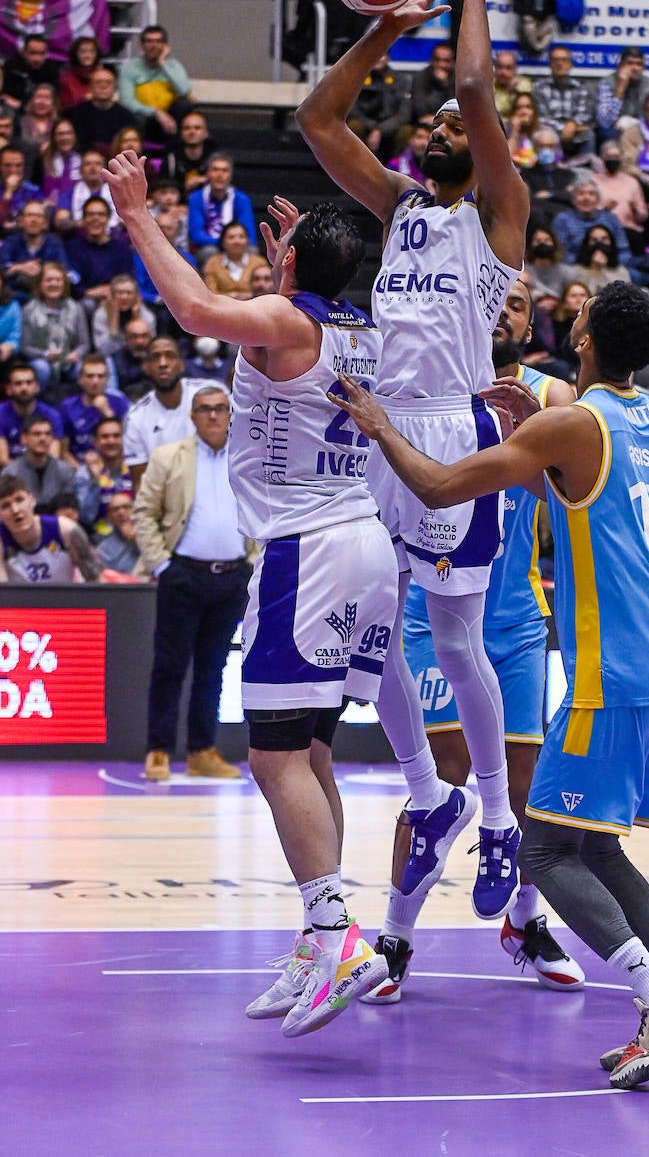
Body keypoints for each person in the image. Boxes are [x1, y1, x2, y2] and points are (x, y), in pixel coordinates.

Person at [331, 281, 649, 1088]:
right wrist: (529, 438)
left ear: (582, 342)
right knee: (597, 850)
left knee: (544, 848)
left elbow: (441, 488)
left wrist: (378, 426)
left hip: (608, 673)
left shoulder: (566, 422)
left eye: (572, 320)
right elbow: (583, 493)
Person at [103, 149, 452, 1039]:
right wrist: (297, 265)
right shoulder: (358, 328)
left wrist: (138, 215)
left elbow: (191, 308)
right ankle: (320, 936)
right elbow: (291, 317)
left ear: (293, 270)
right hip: (369, 547)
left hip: (310, 551)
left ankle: (335, 936)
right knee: (312, 753)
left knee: (269, 757)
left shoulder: (281, 323)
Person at [297, 0, 532, 920]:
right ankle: (429, 799)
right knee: (373, 637)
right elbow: (317, 118)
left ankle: (498, 821)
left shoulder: (499, 214)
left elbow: (475, 89)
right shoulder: (399, 210)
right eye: (427, 126)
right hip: (380, 435)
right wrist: (386, 25)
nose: (438, 127)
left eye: (449, 132)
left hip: (449, 431)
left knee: (455, 636)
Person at [364, 279, 584, 1001]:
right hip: (433, 610)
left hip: (514, 616)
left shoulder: (550, 402)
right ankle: (395, 934)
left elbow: (576, 498)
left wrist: (538, 463)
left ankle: (524, 920)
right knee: (440, 778)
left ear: (531, 321)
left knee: (529, 788)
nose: (505, 311)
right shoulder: (428, 386)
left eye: (520, 303)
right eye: (495, 300)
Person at [133, 383, 255, 781]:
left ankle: (202, 750)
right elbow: (144, 511)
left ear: (230, 413)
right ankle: (158, 750)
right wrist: (162, 564)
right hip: (182, 574)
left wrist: (252, 561)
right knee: (169, 665)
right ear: (193, 416)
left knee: (213, 667)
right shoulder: (170, 457)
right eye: (205, 409)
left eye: (221, 409)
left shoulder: (247, 455)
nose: (214, 416)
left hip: (231, 576)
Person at [122, 336, 212, 492]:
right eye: (156, 358)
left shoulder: (210, 396)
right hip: (167, 501)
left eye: (170, 356)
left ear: (181, 365)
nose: (163, 364)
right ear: (146, 366)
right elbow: (140, 483)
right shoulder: (135, 417)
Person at [0, 474, 103, 582]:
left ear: (32, 500)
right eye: (5, 506)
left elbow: (96, 582)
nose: (15, 510)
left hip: (65, 597)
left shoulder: (65, 530)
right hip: (16, 599)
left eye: (19, 500)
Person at [19, 262, 90, 389]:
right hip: (41, 360)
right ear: (40, 285)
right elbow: (25, 347)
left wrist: (76, 354)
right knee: (42, 368)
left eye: (58, 280)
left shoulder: (77, 308)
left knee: (82, 368)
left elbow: (84, 344)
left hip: (69, 361)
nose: (54, 284)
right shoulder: (28, 310)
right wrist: (46, 354)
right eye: (48, 280)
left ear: (64, 284)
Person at [117, 24, 194, 141]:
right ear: (142, 45)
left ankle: (177, 152)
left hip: (171, 117)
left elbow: (184, 91)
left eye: (158, 41)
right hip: (146, 117)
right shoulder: (130, 67)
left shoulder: (173, 65)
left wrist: (163, 63)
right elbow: (126, 101)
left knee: (184, 104)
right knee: (136, 117)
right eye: (149, 41)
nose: (153, 46)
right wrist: (156, 112)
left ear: (165, 45)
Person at [60, 353, 129, 463]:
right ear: (80, 379)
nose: (95, 381)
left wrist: (107, 412)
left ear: (107, 379)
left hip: (114, 466)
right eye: (90, 376)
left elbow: (129, 442)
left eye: (100, 376)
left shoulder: (120, 402)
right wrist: (80, 473)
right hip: (80, 466)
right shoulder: (67, 407)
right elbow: (63, 451)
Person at [187, 154, 257, 262]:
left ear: (230, 175)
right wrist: (225, 243)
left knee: (251, 251)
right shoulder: (196, 198)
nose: (220, 175)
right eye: (215, 170)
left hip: (235, 242)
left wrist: (232, 243)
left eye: (224, 170)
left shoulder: (241, 198)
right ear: (208, 174)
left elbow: (250, 236)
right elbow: (196, 235)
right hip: (209, 246)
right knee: (209, 252)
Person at [533, 44, 596, 162]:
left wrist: (572, 124)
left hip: (575, 131)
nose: (559, 64)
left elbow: (584, 113)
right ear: (550, 64)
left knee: (588, 134)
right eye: (555, 60)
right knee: (543, 134)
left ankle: (586, 172)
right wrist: (564, 129)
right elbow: (541, 117)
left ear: (570, 64)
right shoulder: (539, 87)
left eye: (564, 60)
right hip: (550, 130)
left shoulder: (581, 87)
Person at [74, 414, 133, 538]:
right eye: (105, 437)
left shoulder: (135, 468)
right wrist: (95, 481)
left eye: (116, 436)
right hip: (99, 540)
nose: (111, 441)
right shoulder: (84, 474)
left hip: (135, 534)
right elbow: (86, 517)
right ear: (96, 442)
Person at [0, 413, 76, 510]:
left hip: (56, 523)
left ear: (52, 438)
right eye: (36, 434)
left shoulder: (66, 470)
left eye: (47, 434)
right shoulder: (10, 473)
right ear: (24, 438)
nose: (43, 438)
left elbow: (68, 509)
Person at [67, 65, 139, 159]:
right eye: (98, 82)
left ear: (115, 87)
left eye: (108, 82)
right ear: (90, 87)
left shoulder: (126, 116)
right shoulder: (77, 114)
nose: (103, 86)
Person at [0, 361, 63, 465]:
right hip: (8, 476)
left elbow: (53, 457)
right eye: (18, 383)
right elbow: (2, 460)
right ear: (9, 389)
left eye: (29, 383)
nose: (24, 388)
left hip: (42, 475)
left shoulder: (51, 415)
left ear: (37, 387)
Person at [595, 47, 649, 139]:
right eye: (629, 63)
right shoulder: (607, 83)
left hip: (643, 131)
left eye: (639, 64)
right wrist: (620, 88)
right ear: (620, 66)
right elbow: (605, 122)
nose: (634, 68)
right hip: (614, 132)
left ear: (643, 67)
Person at [202, 221, 265, 299]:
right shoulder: (212, 263)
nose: (237, 241)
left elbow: (265, 291)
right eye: (231, 237)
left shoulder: (259, 262)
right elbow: (210, 294)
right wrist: (235, 297)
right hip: (221, 307)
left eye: (241, 237)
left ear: (247, 240)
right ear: (223, 242)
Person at [96, 490, 141, 575]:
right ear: (109, 517)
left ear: (135, 510)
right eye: (115, 509)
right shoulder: (103, 549)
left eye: (126, 507)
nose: (121, 512)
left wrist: (136, 541)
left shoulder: (150, 537)